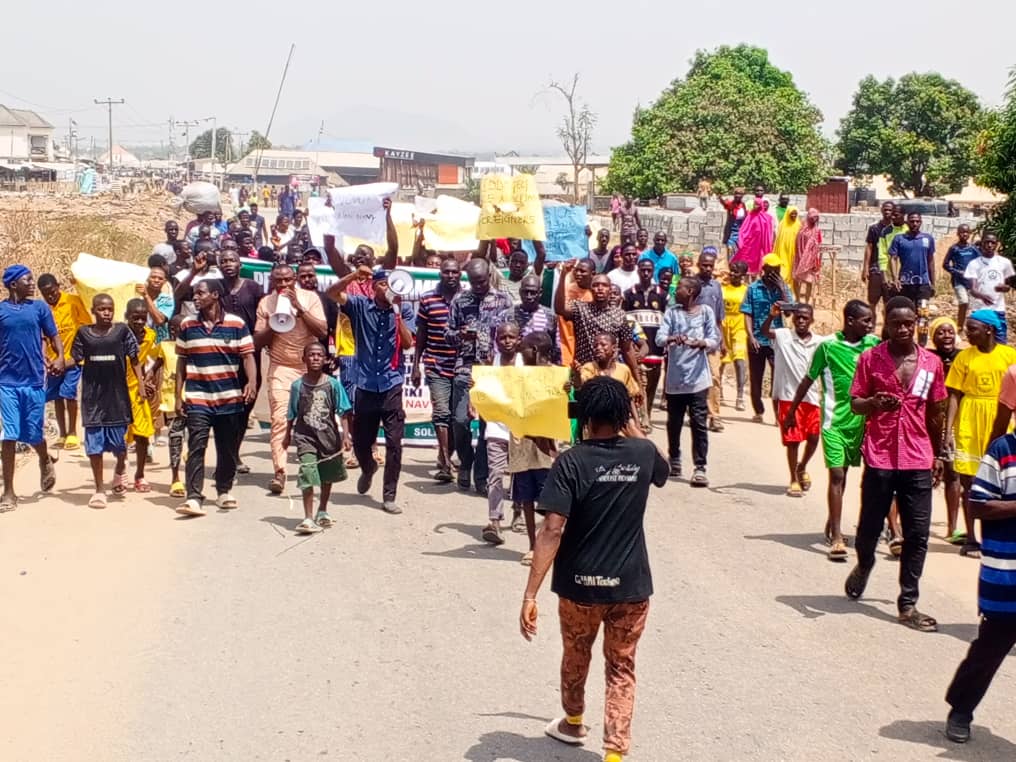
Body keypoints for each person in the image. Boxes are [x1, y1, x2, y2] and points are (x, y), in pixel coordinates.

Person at [519, 376, 668, 762]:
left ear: (583, 416)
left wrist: (530, 593)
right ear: (623, 413)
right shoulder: (643, 453)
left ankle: (573, 721)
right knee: (621, 667)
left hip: (579, 587)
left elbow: (552, 530)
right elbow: (664, 470)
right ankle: (615, 752)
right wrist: (632, 421)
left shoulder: (571, 461)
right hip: (631, 588)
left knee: (576, 653)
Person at [845, 296, 947, 633]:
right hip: (880, 454)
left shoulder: (931, 363)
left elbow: (936, 413)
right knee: (869, 527)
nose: (902, 329)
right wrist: (873, 402)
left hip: (917, 456)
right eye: (895, 323)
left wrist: (939, 454)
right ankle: (864, 564)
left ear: (916, 322)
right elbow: (856, 403)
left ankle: (908, 603)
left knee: (917, 534)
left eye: (908, 322)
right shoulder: (870, 359)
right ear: (885, 324)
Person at [784, 300, 878, 561]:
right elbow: (808, 379)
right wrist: (792, 411)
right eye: (866, 321)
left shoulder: (873, 345)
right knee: (837, 474)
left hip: (862, 422)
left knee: (855, 476)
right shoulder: (827, 347)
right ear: (850, 320)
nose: (870, 326)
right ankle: (837, 536)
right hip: (834, 422)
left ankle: (835, 521)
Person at [943, 428, 1016, 744]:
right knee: (989, 650)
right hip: (1006, 576)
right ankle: (961, 708)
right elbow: (977, 506)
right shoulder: (1003, 451)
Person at [328, 266, 416, 514]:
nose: (388, 288)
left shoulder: (403, 309)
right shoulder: (358, 305)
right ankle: (368, 469)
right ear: (373, 286)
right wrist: (354, 275)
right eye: (383, 284)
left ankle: (389, 495)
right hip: (365, 384)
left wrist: (397, 311)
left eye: (392, 284)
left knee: (394, 443)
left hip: (391, 385)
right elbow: (332, 292)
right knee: (362, 442)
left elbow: (408, 343)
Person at [175, 280, 257, 517]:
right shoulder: (188, 325)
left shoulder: (236, 324)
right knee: (196, 446)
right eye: (194, 294)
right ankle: (193, 497)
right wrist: (178, 396)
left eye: (200, 293)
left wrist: (251, 382)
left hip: (229, 398)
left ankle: (224, 491)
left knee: (227, 448)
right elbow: (181, 361)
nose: (195, 298)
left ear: (215, 295)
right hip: (198, 397)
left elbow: (248, 356)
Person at [945, 310, 1016, 558]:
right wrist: (948, 433)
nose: (967, 333)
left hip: (1000, 417)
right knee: (969, 482)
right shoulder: (964, 357)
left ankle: (995, 536)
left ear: (989, 329)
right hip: (970, 418)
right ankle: (972, 538)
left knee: (1002, 485)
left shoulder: (1009, 356)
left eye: (972, 328)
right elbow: (954, 395)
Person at [254, 262, 327, 494]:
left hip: (308, 370)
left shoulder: (310, 298)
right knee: (280, 420)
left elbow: (323, 332)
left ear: (294, 279)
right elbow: (257, 341)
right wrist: (276, 323)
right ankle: (280, 472)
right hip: (280, 368)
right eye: (278, 281)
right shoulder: (266, 303)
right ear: (272, 281)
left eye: (287, 280)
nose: (283, 284)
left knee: (312, 421)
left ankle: (311, 467)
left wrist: (299, 309)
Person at [446, 259, 513, 494]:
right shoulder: (459, 300)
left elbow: (512, 335)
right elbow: (448, 333)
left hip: (493, 370)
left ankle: (482, 477)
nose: (478, 286)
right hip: (465, 368)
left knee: (489, 427)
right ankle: (466, 461)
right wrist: (459, 335)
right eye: (474, 282)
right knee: (460, 420)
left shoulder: (504, 301)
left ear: (489, 276)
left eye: (482, 281)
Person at [71, 294, 143, 509]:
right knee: (94, 447)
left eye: (110, 309)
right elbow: (74, 359)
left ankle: (121, 466)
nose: (106, 312)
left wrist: (140, 383)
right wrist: (56, 364)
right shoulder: (83, 333)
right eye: (102, 309)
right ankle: (99, 489)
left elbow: (135, 358)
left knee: (119, 446)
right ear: (93, 310)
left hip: (117, 397)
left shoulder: (121, 331)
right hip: (92, 399)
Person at [0, 265, 62, 512]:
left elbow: (54, 335)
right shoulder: (1, 310)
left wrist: (58, 357)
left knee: (33, 433)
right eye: (27, 280)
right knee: (11, 434)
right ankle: (9, 492)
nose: (31, 283)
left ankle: (44, 459)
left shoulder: (39, 308)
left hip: (35, 380)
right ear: (13, 284)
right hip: (6, 382)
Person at [283, 343, 352, 534]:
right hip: (305, 437)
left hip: (329, 438)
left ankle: (322, 510)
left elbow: (344, 411)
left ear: (325, 359)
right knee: (307, 472)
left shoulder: (332, 385)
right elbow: (292, 413)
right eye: (311, 355)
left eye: (319, 355)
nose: (315, 358)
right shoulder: (298, 386)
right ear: (303, 358)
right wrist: (287, 435)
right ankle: (307, 517)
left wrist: (346, 436)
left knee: (326, 475)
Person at [657, 276, 718, 486]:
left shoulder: (706, 313)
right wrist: (673, 338)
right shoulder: (672, 312)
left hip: (698, 379)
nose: (676, 290)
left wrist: (702, 343)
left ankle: (700, 467)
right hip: (675, 378)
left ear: (691, 291)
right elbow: (659, 337)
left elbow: (714, 339)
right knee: (673, 422)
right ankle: (674, 458)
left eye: (681, 287)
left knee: (698, 423)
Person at [509, 331, 562, 565]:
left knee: (549, 500)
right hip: (521, 443)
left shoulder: (555, 375)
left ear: (536, 351)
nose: (520, 349)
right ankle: (532, 545)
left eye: (526, 347)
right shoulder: (518, 376)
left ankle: (546, 543)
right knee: (526, 497)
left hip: (545, 447)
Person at [412, 257, 461, 482]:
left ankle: (446, 456)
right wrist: (416, 365)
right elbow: (421, 334)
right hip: (436, 364)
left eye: (454, 272)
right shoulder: (428, 299)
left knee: (457, 418)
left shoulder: (467, 298)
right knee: (441, 412)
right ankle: (445, 462)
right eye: (446, 272)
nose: (451, 276)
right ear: (440, 273)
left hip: (462, 366)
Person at [766, 303, 823, 497]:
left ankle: (802, 466)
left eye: (805, 317)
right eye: (797, 317)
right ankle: (792, 478)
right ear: (793, 318)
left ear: (811, 320)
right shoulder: (783, 336)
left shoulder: (819, 342)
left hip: (812, 396)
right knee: (793, 441)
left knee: (814, 438)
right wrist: (771, 315)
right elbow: (765, 332)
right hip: (789, 397)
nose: (800, 321)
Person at [218, 248, 263, 474]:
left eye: (232, 260)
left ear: (239, 264)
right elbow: (182, 294)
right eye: (224, 261)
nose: (228, 264)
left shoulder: (253, 288)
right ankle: (225, 459)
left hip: (249, 355)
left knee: (245, 407)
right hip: (222, 356)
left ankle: (234, 453)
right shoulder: (214, 288)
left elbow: (263, 315)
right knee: (225, 410)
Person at [479, 322, 524, 546]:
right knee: (495, 474)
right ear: (496, 341)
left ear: (519, 339)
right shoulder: (491, 363)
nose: (507, 341)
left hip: (521, 429)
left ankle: (518, 511)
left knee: (519, 475)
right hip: (496, 428)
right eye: (503, 337)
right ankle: (494, 520)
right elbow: (481, 389)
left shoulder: (527, 364)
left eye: (511, 337)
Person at [37, 273, 90, 450]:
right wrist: (46, 358)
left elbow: (85, 328)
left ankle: (73, 433)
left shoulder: (73, 302)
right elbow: (44, 336)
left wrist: (79, 354)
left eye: (52, 292)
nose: (50, 296)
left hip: (72, 359)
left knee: (69, 393)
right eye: (46, 294)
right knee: (56, 396)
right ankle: (62, 433)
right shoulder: (44, 310)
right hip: (53, 362)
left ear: (58, 286)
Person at [741, 254, 791, 423]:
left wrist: (782, 290)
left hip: (777, 339)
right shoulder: (753, 289)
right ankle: (759, 410)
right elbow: (747, 313)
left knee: (778, 377)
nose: (776, 273)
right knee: (756, 377)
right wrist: (751, 336)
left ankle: (778, 414)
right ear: (765, 270)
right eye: (773, 270)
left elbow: (790, 312)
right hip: (757, 338)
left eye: (778, 270)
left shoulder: (783, 288)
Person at [929, 316, 963, 545]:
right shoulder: (927, 358)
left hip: (955, 423)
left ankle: (952, 526)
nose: (946, 336)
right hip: (929, 421)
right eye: (940, 332)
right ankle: (903, 525)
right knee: (922, 474)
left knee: (953, 473)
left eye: (950, 331)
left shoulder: (962, 357)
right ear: (933, 337)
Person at [623, 261, 667, 427]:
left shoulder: (663, 294)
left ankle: (646, 413)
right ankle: (641, 418)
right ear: (638, 271)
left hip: (656, 347)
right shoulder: (629, 294)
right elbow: (625, 320)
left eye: (649, 270)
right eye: (643, 270)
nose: (646, 273)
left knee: (652, 383)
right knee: (638, 382)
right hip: (636, 347)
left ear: (653, 271)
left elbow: (667, 320)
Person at [149, 315, 185, 497]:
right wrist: (147, 380)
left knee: (194, 438)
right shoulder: (165, 346)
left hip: (194, 398)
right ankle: (175, 478)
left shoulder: (193, 346)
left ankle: (191, 470)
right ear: (172, 330)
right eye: (177, 328)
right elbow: (156, 364)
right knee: (175, 437)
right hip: (172, 399)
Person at [124, 299, 157, 493]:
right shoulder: (119, 335)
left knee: (142, 434)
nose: (138, 322)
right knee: (120, 436)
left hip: (138, 390)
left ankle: (140, 474)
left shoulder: (150, 336)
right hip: (119, 390)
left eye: (142, 318)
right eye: (134, 317)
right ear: (127, 317)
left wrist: (147, 380)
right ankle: (121, 471)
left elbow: (149, 362)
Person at [573, 332, 642, 424]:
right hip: (596, 421)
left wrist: (637, 422)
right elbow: (580, 386)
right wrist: (577, 375)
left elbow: (629, 398)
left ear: (614, 348)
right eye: (596, 345)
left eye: (603, 345)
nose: (598, 348)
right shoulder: (589, 368)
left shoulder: (623, 370)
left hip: (619, 421)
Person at [695, 248, 726, 433]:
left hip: (712, 338)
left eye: (710, 266)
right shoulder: (691, 284)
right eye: (704, 265)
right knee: (695, 379)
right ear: (699, 265)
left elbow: (719, 316)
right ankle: (698, 414)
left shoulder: (716, 287)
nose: (707, 268)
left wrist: (722, 341)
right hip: (694, 339)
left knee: (714, 377)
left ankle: (715, 416)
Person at [493, 273, 559, 358]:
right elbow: (496, 345)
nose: (529, 296)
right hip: (514, 366)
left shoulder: (550, 316)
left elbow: (556, 347)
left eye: (533, 292)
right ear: (520, 292)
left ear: (540, 293)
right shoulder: (506, 315)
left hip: (541, 367)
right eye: (525, 292)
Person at [963, 232, 1013, 343]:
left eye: (993, 243)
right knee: (977, 341)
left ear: (997, 245)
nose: (990, 245)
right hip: (979, 309)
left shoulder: (1005, 263)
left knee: (1000, 340)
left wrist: (1004, 288)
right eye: (987, 242)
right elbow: (973, 289)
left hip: (998, 308)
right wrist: (981, 296)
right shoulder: (974, 264)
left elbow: (1008, 285)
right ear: (981, 244)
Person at [720, 261, 750, 412]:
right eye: (731, 271)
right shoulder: (722, 288)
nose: (732, 274)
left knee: (739, 360)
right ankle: (719, 392)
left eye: (736, 272)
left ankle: (740, 396)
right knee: (721, 360)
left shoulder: (746, 291)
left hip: (739, 326)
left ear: (743, 275)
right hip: (723, 325)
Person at [888, 212, 936, 304]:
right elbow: (893, 258)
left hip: (923, 282)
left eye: (917, 221)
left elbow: (931, 260)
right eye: (912, 221)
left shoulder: (927, 238)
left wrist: (933, 283)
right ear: (907, 222)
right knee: (907, 311)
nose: (915, 224)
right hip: (905, 282)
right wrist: (895, 279)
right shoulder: (899, 239)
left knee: (923, 312)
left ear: (921, 222)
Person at [557, 259, 595, 367]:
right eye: (576, 270)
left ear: (593, 274)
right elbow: (560, 310)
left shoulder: (595, 294)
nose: (578, 274)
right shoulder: (567, 290)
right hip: (566, 342)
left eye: (582, 271)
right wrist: (563, 274)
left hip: (587, 348)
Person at [942, 224, 979, 329]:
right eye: (962, 232)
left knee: (975, 306)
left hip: (972, 282)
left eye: (967, 232)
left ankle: (974, 327)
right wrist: (957, 272)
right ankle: (960, 326)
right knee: (963, 302)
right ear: (958, 234)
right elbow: (945, 265)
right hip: (958, 281)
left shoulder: (973, 249)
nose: (964, 234)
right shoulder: (954, 249)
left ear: (970, 234)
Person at [861, 202, 896, 313]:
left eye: (890, 210)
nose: (887, 212)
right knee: (872, 302)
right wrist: (865, 268)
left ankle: (887, 329)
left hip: (890, 272)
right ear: (881, 211)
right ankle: (871, 327)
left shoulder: (897, 231)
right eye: (885, 210)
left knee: (888, 303)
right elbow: (869, 248)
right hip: (876, 269)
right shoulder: (874, 228)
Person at [732, 186, 774, 275]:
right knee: (747, 265)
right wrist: (741, 241)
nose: (756, 206)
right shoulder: (750, 215)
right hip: (749, 244)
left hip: (759, 246)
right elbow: (743, 229)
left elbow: (767, 234)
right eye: (755, 204)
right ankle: (747, 283)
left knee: (756, 267)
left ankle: (754, 281)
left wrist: (766, 245)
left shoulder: (766, 218)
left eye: (758, 204)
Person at [135, 265, 174, 343]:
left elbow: (160, 320)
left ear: (164, 281)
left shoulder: (167, 300)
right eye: (153, 277)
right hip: (140, 342)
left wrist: (146, 296)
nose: (156, 280)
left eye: (160, 278)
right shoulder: (138, 298)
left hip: (158, 344)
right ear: (148, 279)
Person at [793, 209, 823, 303]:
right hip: (800, 257)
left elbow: (819, 243)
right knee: (797, 279)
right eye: (813, 217)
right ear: (809, 217)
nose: (814, 219)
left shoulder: (817, 230)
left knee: (809, 281)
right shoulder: (802, 229)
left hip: (811, 260)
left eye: (816, 218)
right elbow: (797, 242)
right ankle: (797, 299)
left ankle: (806, 302)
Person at [772, 206, 801, 283]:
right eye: (792, 213)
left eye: (795, 214)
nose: (794, 215)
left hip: (793, 252)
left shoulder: (798, 225)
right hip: (783, 251)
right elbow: (778, 239)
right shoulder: (782, 224)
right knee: (783, 270)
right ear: (788, 214)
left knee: (791, 269)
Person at [718, 187, 746, 257]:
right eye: (736, 193)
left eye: (740, 194)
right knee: (730, 249)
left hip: (741, 231)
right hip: (732, 230)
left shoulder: (743, 205)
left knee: (739, 250)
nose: (738, 195)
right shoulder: (731, 204)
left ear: (742, 195)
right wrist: (720, 197)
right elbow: (725, 203)